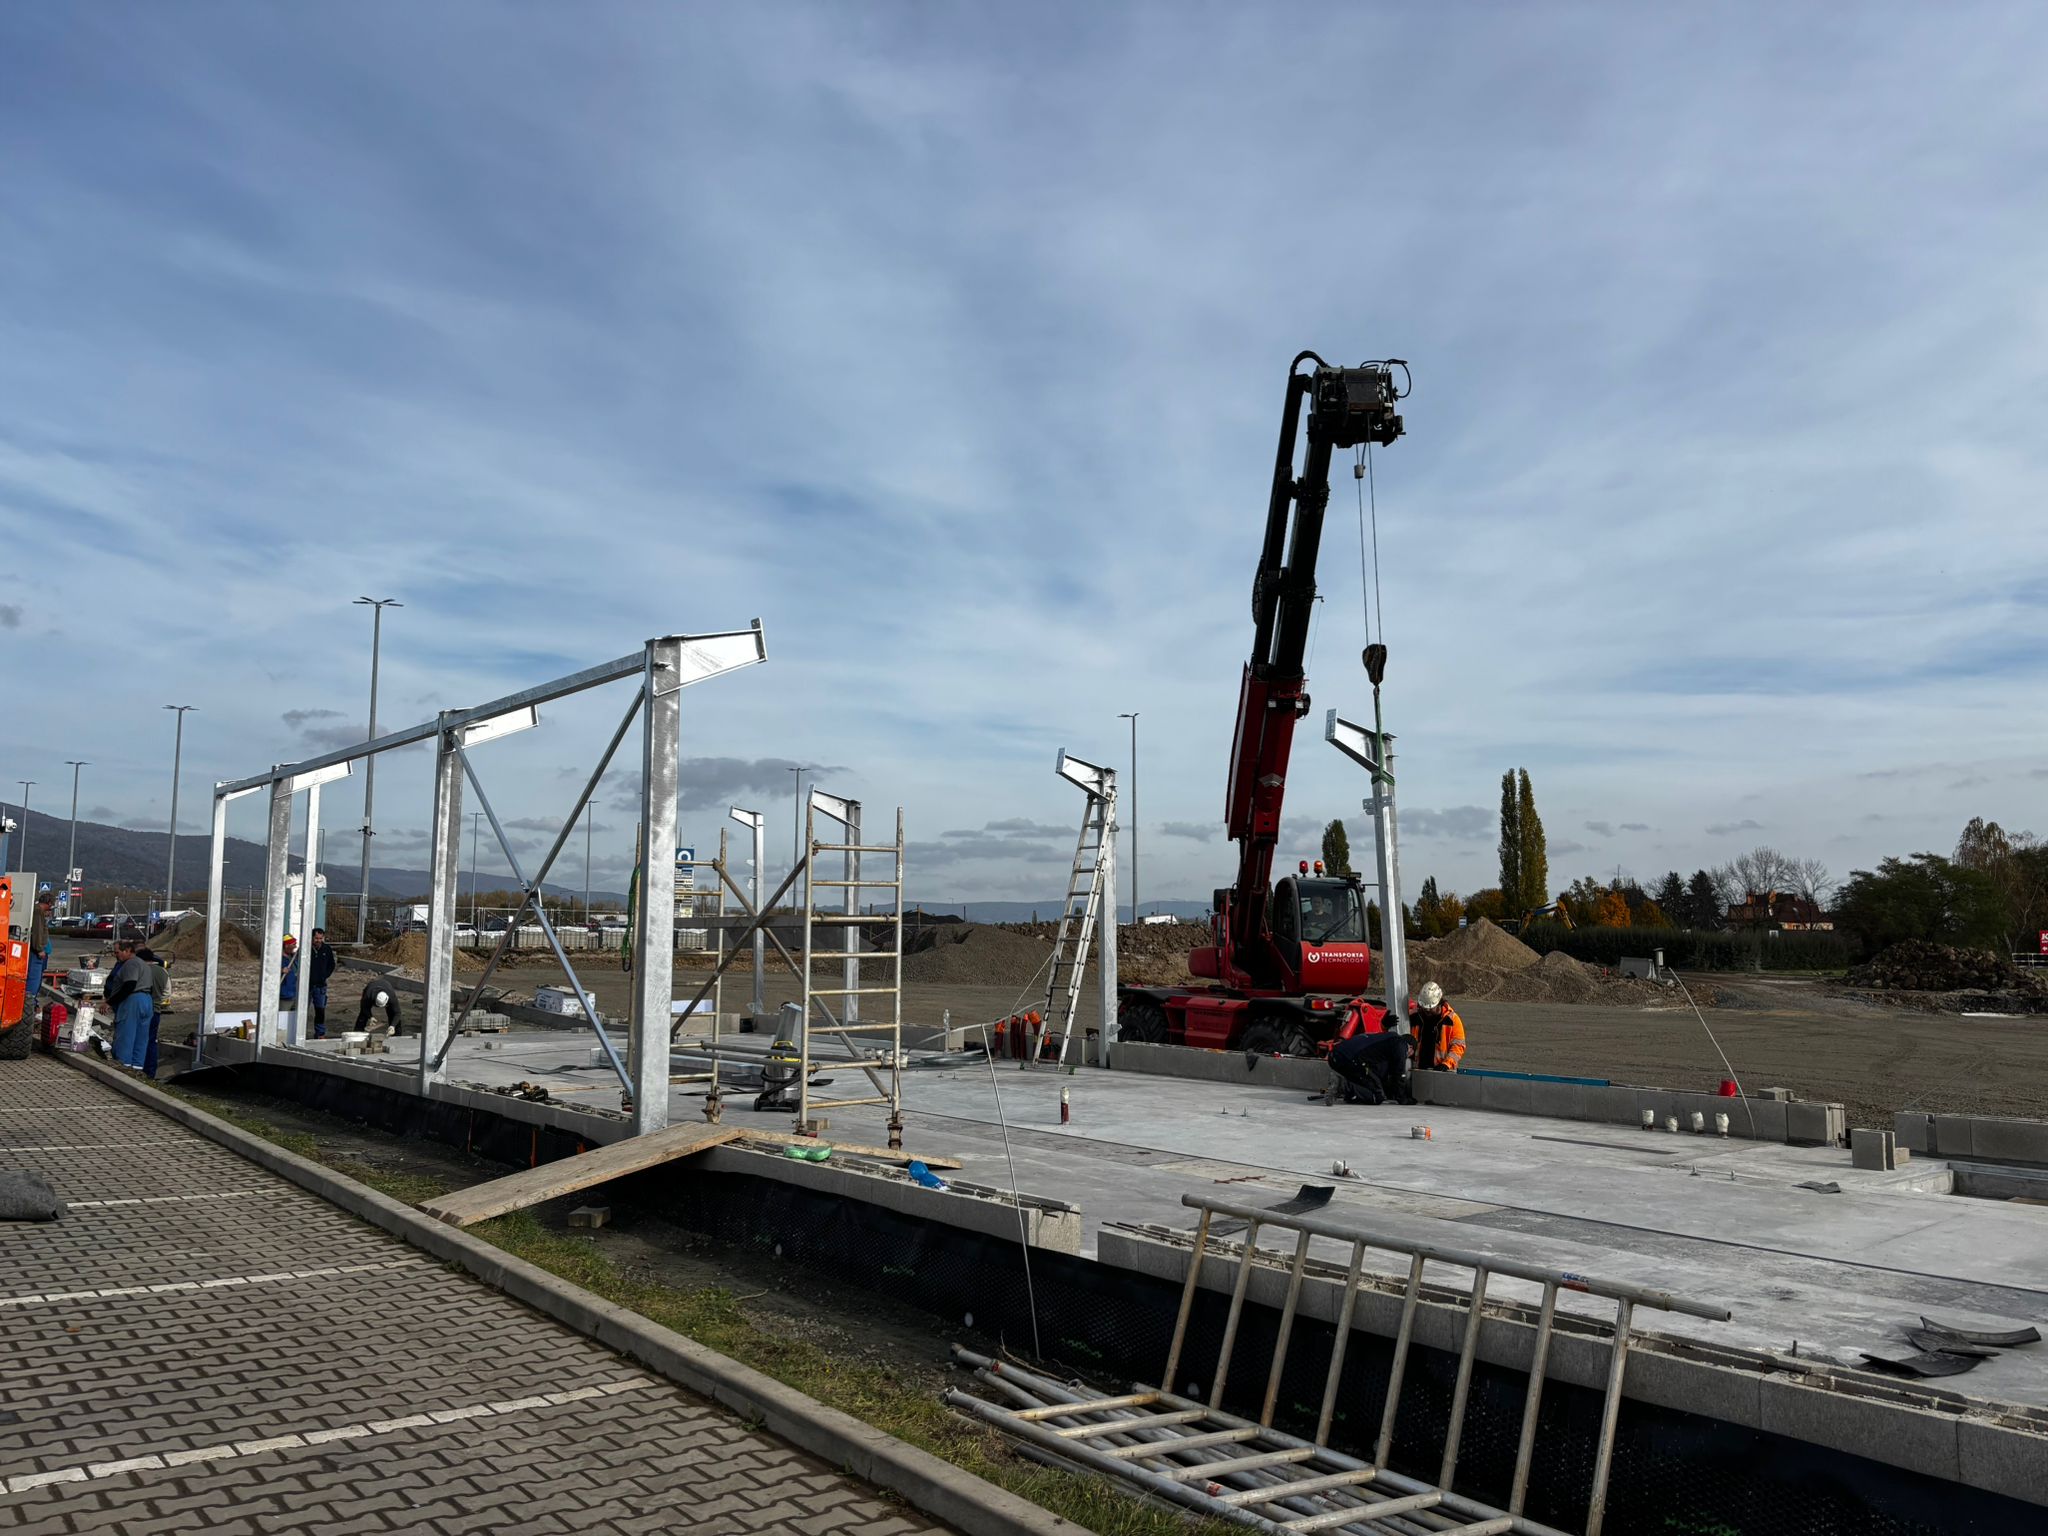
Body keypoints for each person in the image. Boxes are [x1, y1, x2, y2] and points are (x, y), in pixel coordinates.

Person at [1323, 1001, 1415, 1106]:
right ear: (1411, 1047)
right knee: (1377, 1096)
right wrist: (1403, 1099)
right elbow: (1399, 1074)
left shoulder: (1385, 1039)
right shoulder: (1401, 1044)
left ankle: (1346, 1090)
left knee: (1366, 1083)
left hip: (1335, 1056)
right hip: (1353, 1059)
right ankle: (1342, 1085)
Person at [103, 939, 152, 1071]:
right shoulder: (143, 964)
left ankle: (122, 1067)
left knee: (126, 1035)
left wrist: (110, 1002)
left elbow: (129, 985)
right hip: (147, 1000)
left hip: (133, 1001)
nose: (116, 955)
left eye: (118, 952)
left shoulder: (130, 964)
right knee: (141, 1037)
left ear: (128, 951)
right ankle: (137, 1068)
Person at [1407, 981, 1467, 1072]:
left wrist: (1446, 1064)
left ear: (1439, 1003)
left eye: (1430, 1008)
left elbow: (1458, 1047)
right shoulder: (1414, 1016)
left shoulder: (1451, 1020)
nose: (1427, 1011)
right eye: (1424, 1008)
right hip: (1417, 1070)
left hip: (1442, 1072)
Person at [136, 946, 171, 1078]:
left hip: (140, 1010)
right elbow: (167, 992)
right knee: (151, 1041)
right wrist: (157, 1001)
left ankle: (137, 1067)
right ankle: (150, 1071)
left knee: (138, 1039)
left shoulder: (140, 970)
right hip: (155, 1010)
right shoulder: (163, 972)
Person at [25, 890, 53, 1019]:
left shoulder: (37, 911)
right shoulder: (38, 912)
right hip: (36, 953)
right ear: (48, 903)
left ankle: (31, 1004)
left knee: (35, 980)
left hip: (36, 951)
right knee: (33, 980)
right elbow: (37, 932)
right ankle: (29, 1006)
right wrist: (39, 949)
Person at [307, 928, 337, 1037]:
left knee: (320, 1010)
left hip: (320, 986)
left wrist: (325, 975)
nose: (318, 940)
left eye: (320, 938)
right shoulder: (306, 949)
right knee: (302, 1010)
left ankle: (320, 1033)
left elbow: (331, 964)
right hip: (307, 985)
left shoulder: (326, 949)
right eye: (316, 938)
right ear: (312, 938)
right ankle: (298, 1031)